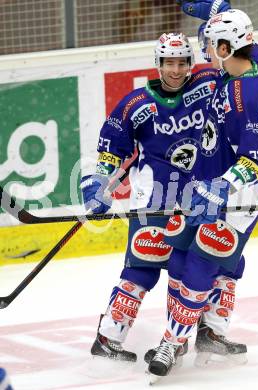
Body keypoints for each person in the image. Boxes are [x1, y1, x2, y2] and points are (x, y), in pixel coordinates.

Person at [80, 31, 231, 362]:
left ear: (192, 62)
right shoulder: (137, 104)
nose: (175, 70)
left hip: (200, 193)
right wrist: (97, 183)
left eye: (181, 62)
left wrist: (224, 18)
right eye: (168, 63)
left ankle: (206, 332)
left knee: (203, 265)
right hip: (154, 195)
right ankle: (108, 339)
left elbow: (243, 63)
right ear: (158, 64)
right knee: (142, 268)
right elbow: (112, 149)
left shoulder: (208, 83)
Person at [147, 8, 258, 378]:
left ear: (226, 47)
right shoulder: (245, 62)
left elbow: (253, 162)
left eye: (210, 43)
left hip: (238, 196)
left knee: (201, 263)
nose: (204, 49)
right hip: (209, 184)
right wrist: (219, 8)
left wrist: (219, 189)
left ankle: (173, 341)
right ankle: (210, 334)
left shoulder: (249, 92)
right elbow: (243, 37)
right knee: (191, 258)